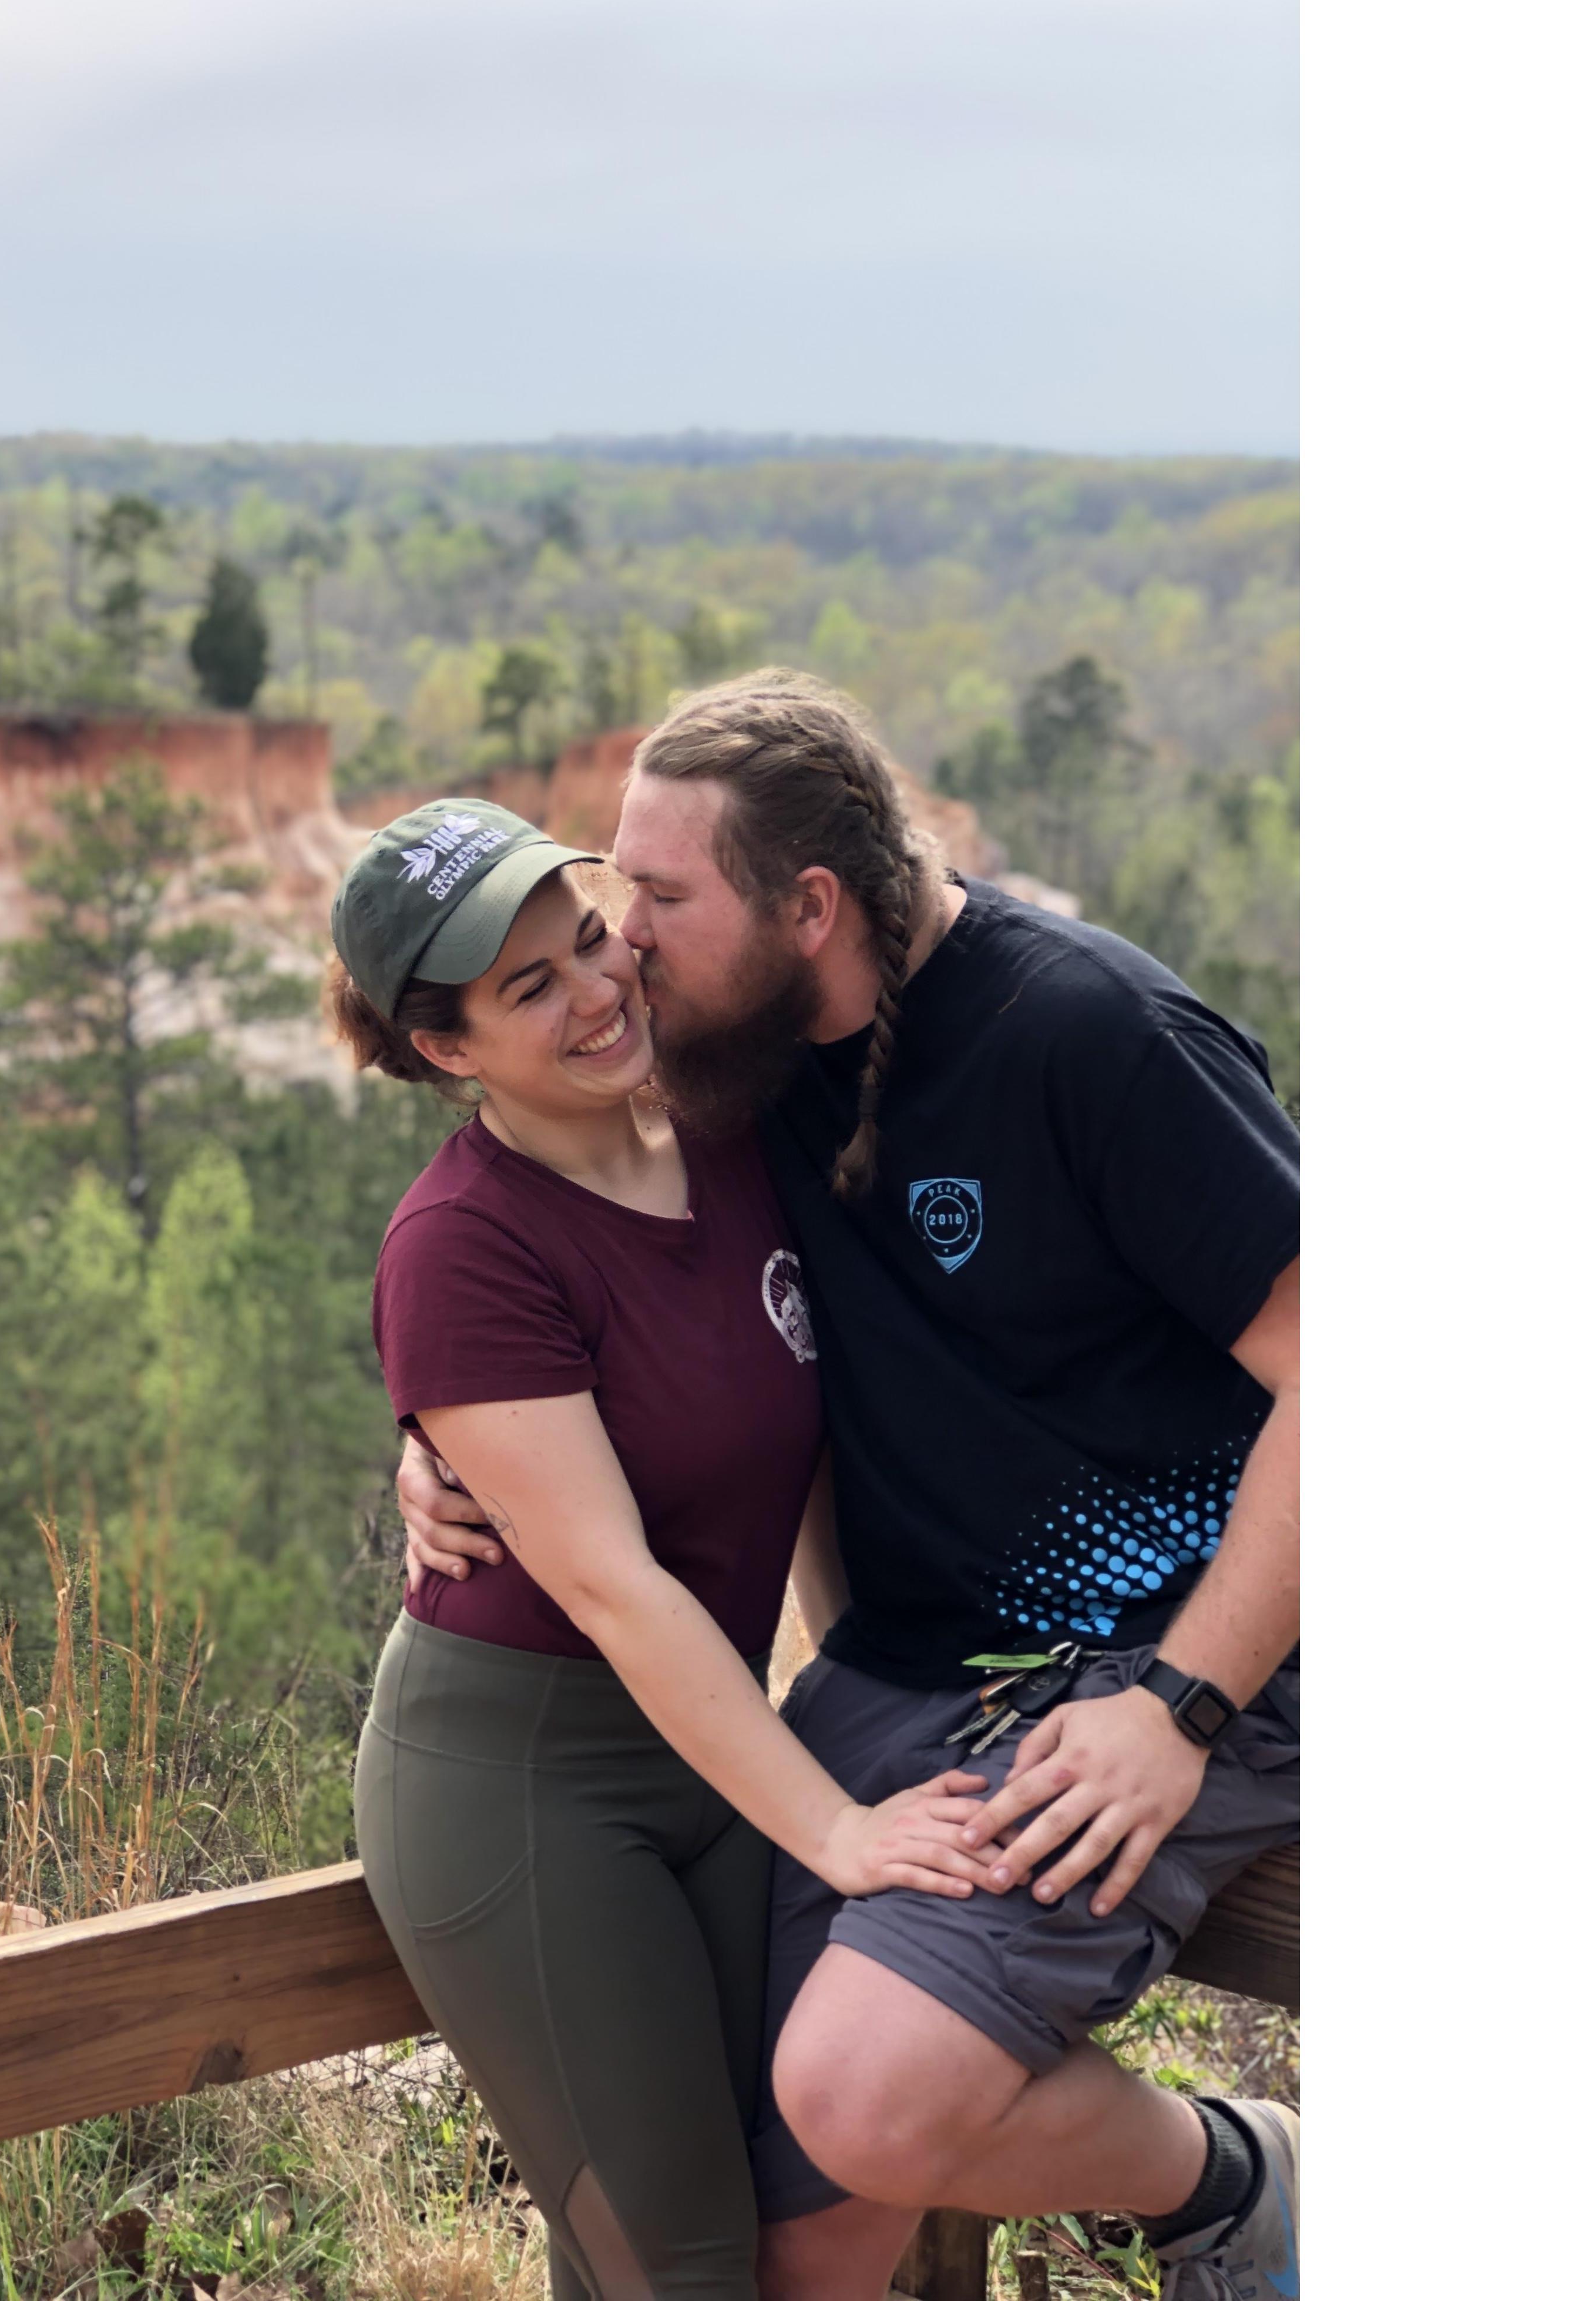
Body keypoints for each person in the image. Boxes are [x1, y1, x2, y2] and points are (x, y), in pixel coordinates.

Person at [399, 673, 1301, 2301]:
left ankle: (1234, 2177)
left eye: (656, 902)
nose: (627, 948)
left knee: (859, 2096)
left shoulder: (1092, 1036)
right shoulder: (746, 1059)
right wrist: (446, 1443)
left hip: (1158, 1666)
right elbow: (548, 1244)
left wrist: (1183, 1707)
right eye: (614, 894)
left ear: (809, 905)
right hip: (901, 1667)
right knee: (792, 2255)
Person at [331, 799, 1007, 2301]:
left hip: (711, 1757)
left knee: (730, 2238)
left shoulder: (729, 1122)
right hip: (528, 1786)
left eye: (590, 941)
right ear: (447, 1050)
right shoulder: (464, 1249)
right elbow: (615, 1587)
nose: (595, 995)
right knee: (681, 2267)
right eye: (529, 990)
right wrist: (835, 1828)